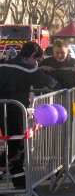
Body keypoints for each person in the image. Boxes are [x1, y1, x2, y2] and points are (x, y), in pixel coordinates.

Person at [0, 42, 56, 188]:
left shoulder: (4, 65)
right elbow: (49, 82)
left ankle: (20, 183)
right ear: (32, 56)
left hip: (3, 109)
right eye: (36, 60)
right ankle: (17, 181)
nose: (36, 63)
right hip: (16, 111)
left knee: (14, 146)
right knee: (17, 148)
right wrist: (47, 72)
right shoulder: (28, 68)